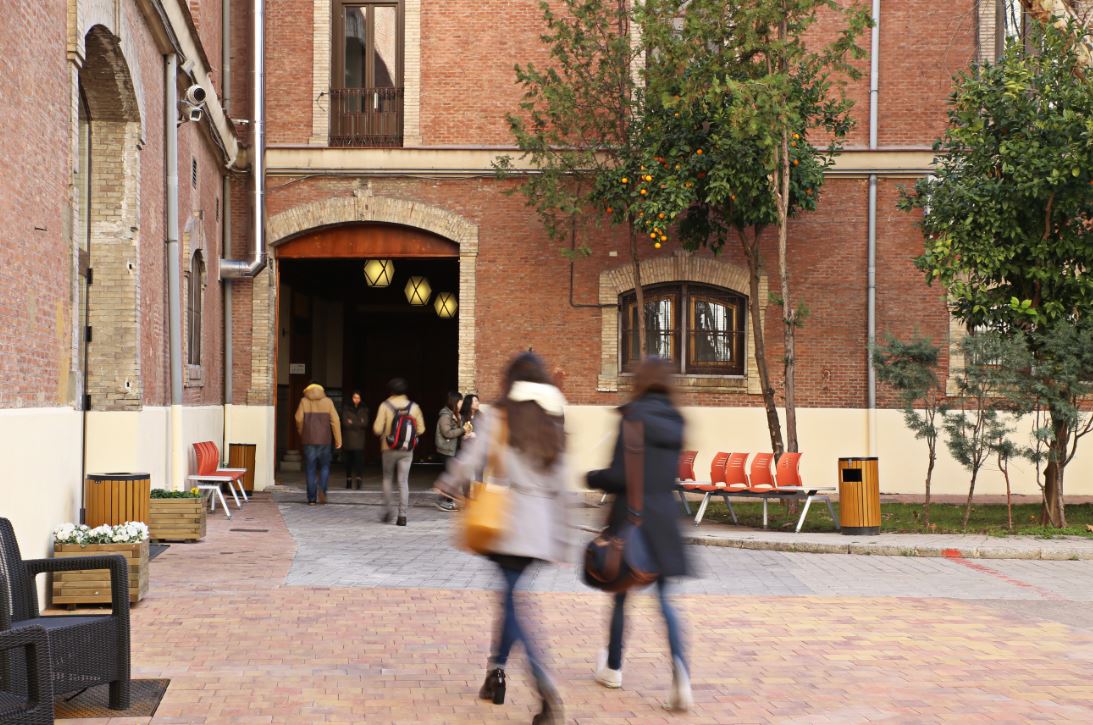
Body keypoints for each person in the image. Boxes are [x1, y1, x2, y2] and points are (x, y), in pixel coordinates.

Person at [435, 353, 570, 725]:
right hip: (541, 529)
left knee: (513, 605)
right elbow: (563, 482)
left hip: (510, 523)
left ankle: (543, 683)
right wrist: (562, 537)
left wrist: (447, 483)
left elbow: (471, 458)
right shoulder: (552, 420)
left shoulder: (500, 416)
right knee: (511, 598)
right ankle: (495, 674)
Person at [585, 357, 693, 712]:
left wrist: (592, 477)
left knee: (620, 594)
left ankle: (613, 668)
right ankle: (681, 675)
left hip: (632, 519)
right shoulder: (677, 420)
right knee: (665, 601)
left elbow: (620, 475)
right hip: (665, 521)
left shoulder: (633, 417)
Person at [372, 377, 425, 526]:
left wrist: (387, 432)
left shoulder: (385, 405)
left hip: (388, 448)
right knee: (403, 481)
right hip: (407, 449)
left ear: (390, 391)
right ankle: (402, 515)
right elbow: (421, 429)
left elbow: (377, 429)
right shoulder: (414, 407)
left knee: (387, 478)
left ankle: (388, 511)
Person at [294, 380, 342, 506]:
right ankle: (323, 490)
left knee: (310, 468)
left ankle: (311, 499)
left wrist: (302, 432)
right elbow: (335, 420)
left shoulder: (304, 401)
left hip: (309, 439)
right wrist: (338, 439)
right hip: (325, 440)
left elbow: (298, 418)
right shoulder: (328, 401)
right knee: (325, 467)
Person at [434, 390, 465, 512]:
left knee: (452, 475)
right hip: (446, 450)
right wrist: (462, 430)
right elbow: (447, 433)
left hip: (452, 449)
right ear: (455, 402)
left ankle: (447, 501)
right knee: (452, 475)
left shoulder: (454, 414)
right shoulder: (445, 415)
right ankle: (444, 501)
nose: (462, 403)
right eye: (460, 401)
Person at [342, 391, 368, 490]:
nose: (356, 400)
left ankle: (358, 481)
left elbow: (365, 423)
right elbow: (345, 423)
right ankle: (348, 481)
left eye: (358, 398)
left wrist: (352, 422)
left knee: (359, 461)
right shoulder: (346, 408)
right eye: (354, 397)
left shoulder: (364, 409)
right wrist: (358, 422)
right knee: (348, 461)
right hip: (348, 439)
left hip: (359, 440)